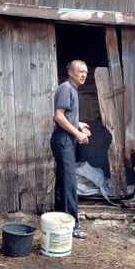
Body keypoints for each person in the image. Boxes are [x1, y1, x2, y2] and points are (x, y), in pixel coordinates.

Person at [51, 59, 91, 240]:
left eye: (86, 72)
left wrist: (80, 124)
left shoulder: (72, 89)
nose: (84, 75)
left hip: (66, 139)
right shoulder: (66, 88)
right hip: (63, 140)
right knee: (69, 183)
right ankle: (73, 226)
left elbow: (67, 115)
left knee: (63, 181)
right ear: (71, 72)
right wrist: (77, 133)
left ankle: (61, 220)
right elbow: (58, 116)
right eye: (80, 71)